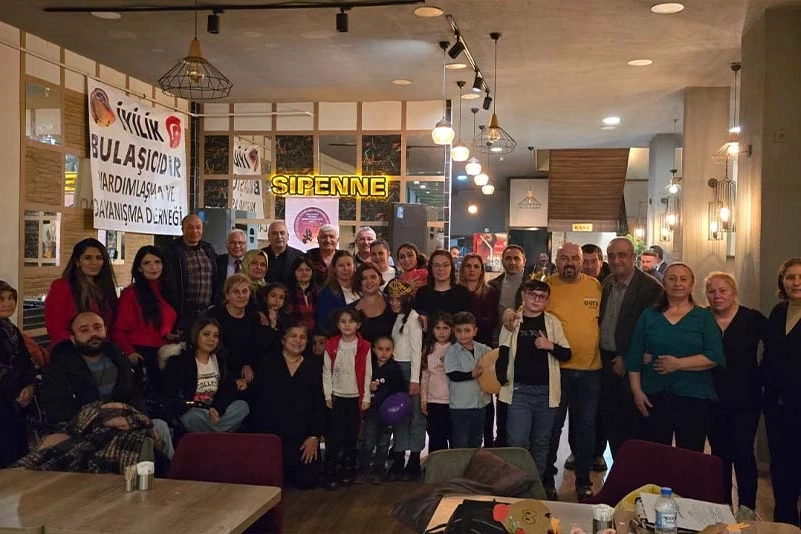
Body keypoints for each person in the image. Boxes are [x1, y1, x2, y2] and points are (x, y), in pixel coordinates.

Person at [510, 243, 601, 501]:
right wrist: (508, 312)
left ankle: (583, 481)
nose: (569, 262)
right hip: (555, 371)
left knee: (586, 428)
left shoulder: (595, 286)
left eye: (574, 258)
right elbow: (522, 313)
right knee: (551, 430)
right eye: (564, 258)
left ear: (581, 261)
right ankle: (547, 480)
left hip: (591, 370)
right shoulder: (546, 287)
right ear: (556, 261)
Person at [39, 312, 174, 459]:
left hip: (126, 423)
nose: (93, 334)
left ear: (105, 330)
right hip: (85, 430)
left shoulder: (119, 359)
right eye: (84, 330)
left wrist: (140, 421)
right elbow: (58, 410)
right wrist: (104, 421)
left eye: (98, 327)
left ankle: (168, 472)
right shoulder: (59, 367)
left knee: (160, 427)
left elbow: (134, 396)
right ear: (73, 337)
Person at [626, 262, 724, 453]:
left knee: (690, 454)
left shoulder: (703, 317)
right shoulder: (649, 315)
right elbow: (635, 355)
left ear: (691, 284)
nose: (678, 283)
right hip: (653, 394)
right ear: (664, 283)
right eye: (672, 279)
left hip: (694, 396)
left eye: (683, 279)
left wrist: (678, 364)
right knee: (655, 453)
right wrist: (636, 391)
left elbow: (715, 356)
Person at [705, 272, 766, 521]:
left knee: (743, 450)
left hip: (746, 396)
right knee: (719, 453)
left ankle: (747, 506)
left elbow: (777, 346)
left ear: (733, 292)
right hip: (711, 396)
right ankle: (721, 505)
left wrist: (762, 373)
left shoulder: (752, 318)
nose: (717, 296)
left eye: (723, 291)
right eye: (712, 291)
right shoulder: (702, 318)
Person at [496, 279, 571, 479]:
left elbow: (566, 354)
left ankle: (535, 482)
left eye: (542, 297)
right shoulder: (512, 320)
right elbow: (503, 351)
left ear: (547, 301)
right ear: (523, 295)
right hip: (519, 391)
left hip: (546, 392)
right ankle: (515, 482)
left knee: (541, 442)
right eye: (532, 295)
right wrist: (501, 377)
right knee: (517, 441)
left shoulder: (552, 323)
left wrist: (549, 345)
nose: (536, 300)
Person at [598, 238, 662, 457]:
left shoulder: (650, 288)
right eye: (612, 256)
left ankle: (635, 473)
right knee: (612, 422)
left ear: (633, 257)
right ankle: (619, 470)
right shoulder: (607, 283)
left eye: (622, 255)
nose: (616, 260)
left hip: (633, 366)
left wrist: (627, 357)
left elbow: (652, 331)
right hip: (605, 362)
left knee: (633, 425)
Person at [250, 323, 324, 489]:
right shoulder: (267, 363)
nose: (298, 341)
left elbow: (319, 405)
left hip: (302, 435)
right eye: (293, 336)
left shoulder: (314, 367)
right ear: (283, 340)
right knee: (270, 480)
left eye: (302, 337)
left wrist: (314, 436)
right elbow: (257, 403)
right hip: (273, 434)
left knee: (307, 481)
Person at [762, 258, 801, 526]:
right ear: (782, 281)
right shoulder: (779, 311)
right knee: (781, 466)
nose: (796, 282)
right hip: (777, 404)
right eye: (790, 277)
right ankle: (785, 526)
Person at [161, 317, 249, 434]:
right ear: (196, 335)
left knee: (242, 406)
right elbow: (171, 395)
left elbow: (228, 389)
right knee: (191, 416)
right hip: (192, 410)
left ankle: (212, 433)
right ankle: (221, 432)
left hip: (213, 409)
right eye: (206, 334)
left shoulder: (220, 361)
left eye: (215, 336)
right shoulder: (179, 361)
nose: (211, 339)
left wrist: (216, 409)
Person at [111, 246, 177, 399]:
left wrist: (170, 335)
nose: (153, 267)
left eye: (157, 262)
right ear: (139, 268)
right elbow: (118, 330)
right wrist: (130, 352)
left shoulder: (167, 290)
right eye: (147, 263)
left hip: (165, 350)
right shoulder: (131, 294)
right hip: (142, 354)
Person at [322, 308, 372, 490]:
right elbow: (326, 372)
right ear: (338, 325)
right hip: (337, 397)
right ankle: (330, 469)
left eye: (351, 321)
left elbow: (367, 373)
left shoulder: (364, 346)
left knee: (351, 436)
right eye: (343, 321)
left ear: (358, 324)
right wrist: (328, 394)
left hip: (356, 397)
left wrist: (366, 396)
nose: (347, 325)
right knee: (335, 436)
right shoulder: (331, 344)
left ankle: (347, 468)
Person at [459, 253, 501, 447]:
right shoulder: (457, 291)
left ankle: (488, 439)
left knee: (485, 395)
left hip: (483, 348)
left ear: (482, 270)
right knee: (464, 391)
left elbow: (492, 320)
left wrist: (470, 322)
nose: (472, 270)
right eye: (468, 266)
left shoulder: (490, 292)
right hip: (461, 347)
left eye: (476, 266)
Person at [385, 279, 425, 481]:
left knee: (416, 415)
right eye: (391, 299)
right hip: (396, 369)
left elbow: (417, 351)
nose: (394, 303)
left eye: (398, 299)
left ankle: (415, 457)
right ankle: (399, 455)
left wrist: (415, 380)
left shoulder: (414, 319)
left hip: (410, 369)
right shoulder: (396, 317)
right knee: (400, 414)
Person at [45, 238, 118, 345]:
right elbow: (55, 328)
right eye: (88, 258)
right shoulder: (61, 287)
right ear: (77, 262)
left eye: (99, 258)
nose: (94, 262)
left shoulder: (106, 288)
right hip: (71, 349)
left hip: (102, 348)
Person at [206, 274, 272, 388]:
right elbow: (217, 348)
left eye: (245, 291)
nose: (241, 295)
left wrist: (247, 363)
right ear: (227, 295)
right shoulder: (215, 315)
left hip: (248, 367)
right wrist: (241, 366)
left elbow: (257, 346)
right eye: (236, 292)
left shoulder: (253, 316)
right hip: (220, 366)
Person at [358, 336, 404, 483]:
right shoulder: (369, 365)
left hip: (388, 413)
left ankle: (379, 469)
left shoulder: (394, 368)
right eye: (380, 349)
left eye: (387, 349)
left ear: (392, 350)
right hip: (372, 411)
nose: (384, 353)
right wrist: (370, 387)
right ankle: (363, 469)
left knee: (383, 443)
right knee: (368, 442)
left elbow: (400, 390)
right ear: (373, 349)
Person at [0, 281, 36, 467]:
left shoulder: (11, 329)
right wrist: (16, 392)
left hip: (16, 401)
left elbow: (26, 362)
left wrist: (29, 386)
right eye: (1, 299)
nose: (7, 303)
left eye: (11, 298)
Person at [163, 214, 220, 332]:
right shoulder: (172, 252)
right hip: (182, 315)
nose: (195, 231)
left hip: (207, 313)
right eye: (190, 227)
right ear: (182, 229)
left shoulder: (208, 249)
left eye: (198, 227)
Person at [444, 311, 491, 448]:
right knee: (460, 442)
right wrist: (472, 374)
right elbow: (453, 375)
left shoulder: (484, 349)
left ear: (475, 331)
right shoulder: (451, 352)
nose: (463, 335)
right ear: (454, 331)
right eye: (459, 331)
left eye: (467, 330)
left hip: (480, 405)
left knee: (476, 441)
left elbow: (495, 360)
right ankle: (460, 463)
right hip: (460, 407)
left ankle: (474, 462)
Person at [414, 249, 472, 331]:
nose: (441, 269)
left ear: (451, 267)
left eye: (445, 265)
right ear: (431, 268)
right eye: (436, 265)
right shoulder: (422, 293)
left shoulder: (463, 293)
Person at [420, 313, 453, 453]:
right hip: (434, 401)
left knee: (453, 437)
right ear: (432, 330)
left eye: (445, 328)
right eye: (438, 328)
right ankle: (436, 465)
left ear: (452, 329)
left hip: (453, 402)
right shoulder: (429, 349)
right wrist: (424, 398)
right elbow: (425, 377)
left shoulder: (456, 348)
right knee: (436, 439)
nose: (441, 332)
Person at [352, 262, 396, 343]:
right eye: (364, 278)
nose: (369, 281)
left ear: (380, 278)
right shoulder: (350, 310)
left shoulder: (393, 303)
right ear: (359, 282)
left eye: (373, 277)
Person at [316, 250, 357, 333]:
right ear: (334, 269)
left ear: (354, 267)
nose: (346, 268)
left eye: (349, 264)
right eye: (341, 265)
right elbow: (325, 323)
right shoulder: (327, 293)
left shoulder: (361, 288)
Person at [263, 221, 304, 287]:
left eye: (282, 233)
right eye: (274, 233)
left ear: (288, 236)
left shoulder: (299, 256)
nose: (279, 237)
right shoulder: (260, 255)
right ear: (268, 237)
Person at [287, 256, 318, 331]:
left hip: (316, 333)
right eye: (300, 270)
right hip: (295, 333)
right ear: (294, 272)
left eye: (307, 269)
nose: (304, 273)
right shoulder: (287, 293)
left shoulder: (318, 292)